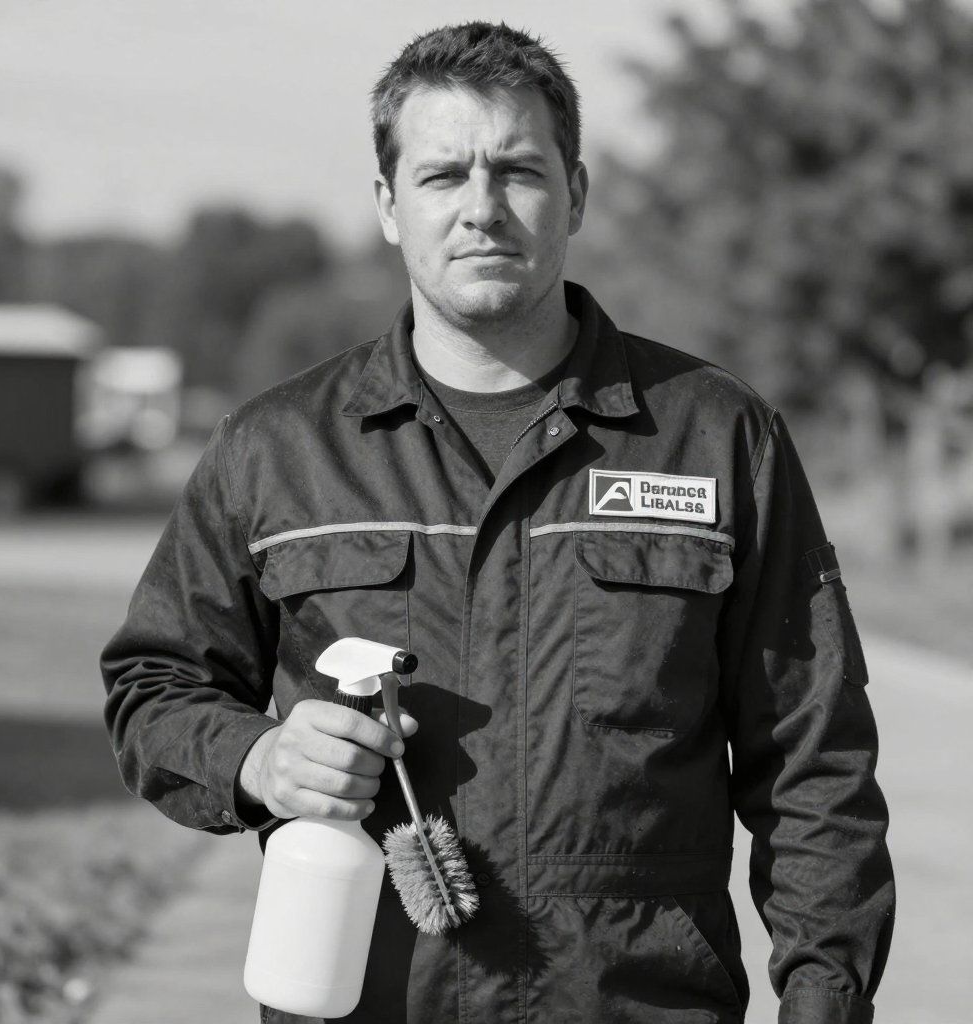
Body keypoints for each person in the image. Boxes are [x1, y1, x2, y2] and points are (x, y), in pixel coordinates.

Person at [101, 21, 894, 1024]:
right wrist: (257, 759)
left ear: (576, 193)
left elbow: (812, 757)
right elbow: (152, 684)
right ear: (388, 205)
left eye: (518, 169)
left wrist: (824, 1003)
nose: (482, 209)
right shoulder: (277, 448)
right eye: (442, 176)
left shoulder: (713, 434)